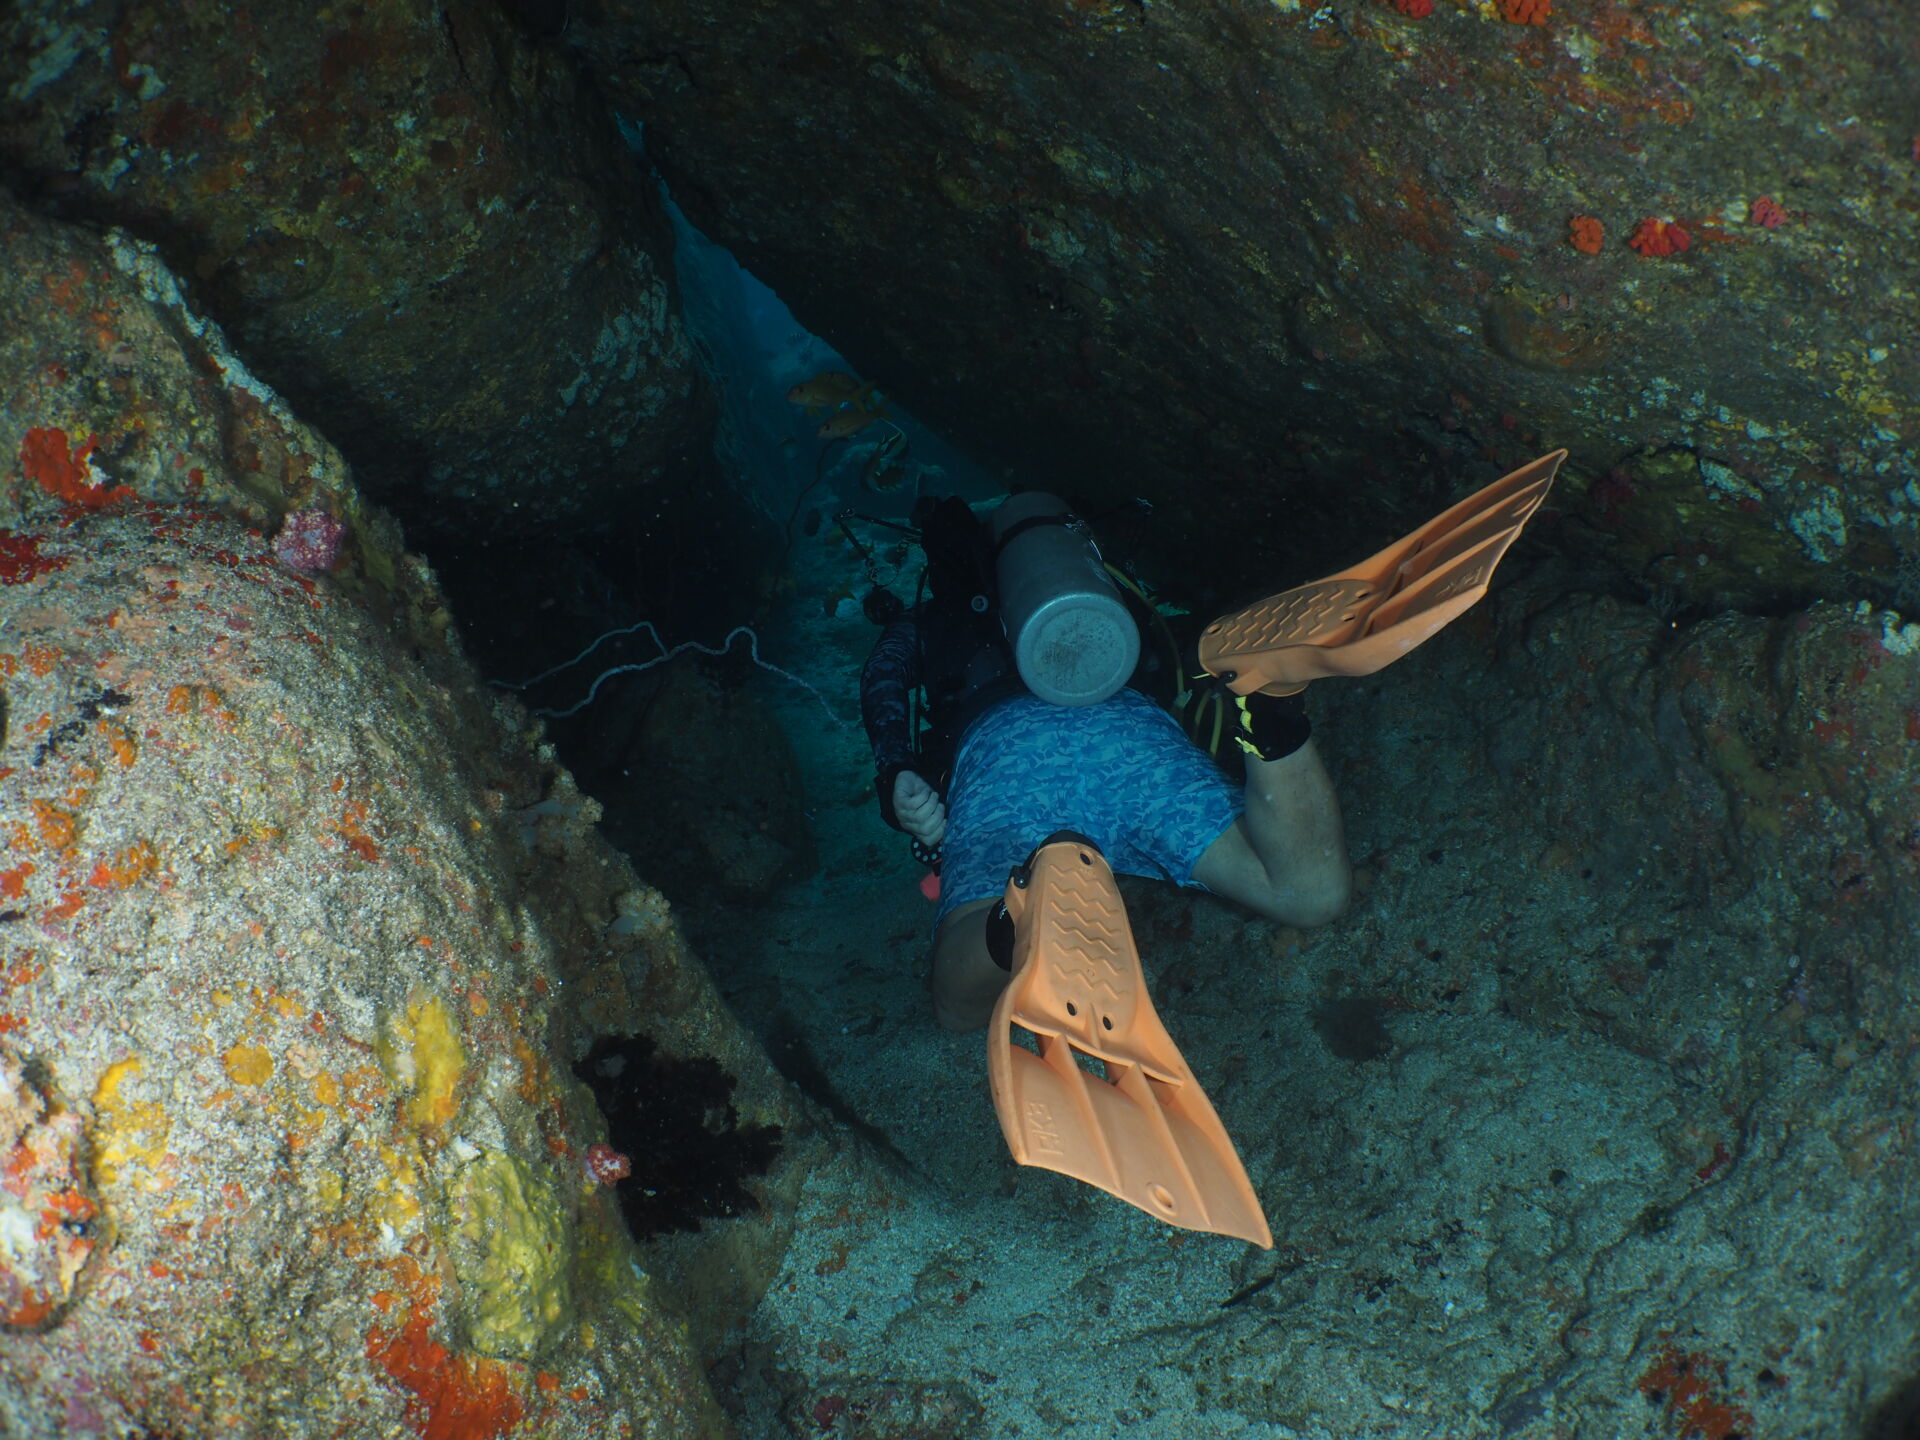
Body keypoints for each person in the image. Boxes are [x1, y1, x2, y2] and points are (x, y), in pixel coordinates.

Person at [859, 494, 1352, 1032]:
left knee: (957, 1008)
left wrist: (896, 771)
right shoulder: (1088, 588)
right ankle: (1268, 708)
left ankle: (1023, 909)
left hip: (1007, 757)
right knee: (1311, 895)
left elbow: (883, 680)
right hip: (1124, 727)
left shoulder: (928, 618)